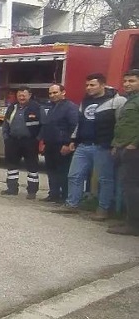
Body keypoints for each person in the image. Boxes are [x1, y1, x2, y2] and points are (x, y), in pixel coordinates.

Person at [64, 73, 127, 219]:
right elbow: (80, 122)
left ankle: (103, 209)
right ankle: (72, 204)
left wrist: (116, 144)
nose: (88, 88)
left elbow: (121, 124)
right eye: (87, 85)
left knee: (105, 179)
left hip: (103, 146)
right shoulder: (85, 101)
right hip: (83, 145)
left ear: (103, 85)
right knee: (74, 175)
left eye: (92, 85)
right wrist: (74, 139)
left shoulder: (117, 101)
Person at [108, 69, 139, 236]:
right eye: (125, 81)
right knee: (128, 187)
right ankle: (130, 219)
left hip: (133, 150)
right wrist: (116, 145)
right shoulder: (130, 100)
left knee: (131, 187)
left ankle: (133, 225)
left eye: (132, 81)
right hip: (123, 147)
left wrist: (134, 144)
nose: (127, 84)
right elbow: (123, 126)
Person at [39, 84, 79, 204]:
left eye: (55, 93)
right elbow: (48, 126)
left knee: (63, 172)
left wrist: (68, 144)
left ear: (63, 92)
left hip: (62, 145)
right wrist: (45, 142)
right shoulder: (51, 107)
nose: (52, 95)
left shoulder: (70, 107)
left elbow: (74, 126)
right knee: (51, 171)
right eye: (50, 93)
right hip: (50, 144)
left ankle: (65, 196)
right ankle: (53, 194)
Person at [1, 87, 42, 199]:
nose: (21, 97)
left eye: (24, 95)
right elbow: (6, 123)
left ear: (29, 95)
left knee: (32, 167)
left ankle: (32, 192)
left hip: (30, 142)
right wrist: (6, 137)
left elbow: (44, 125)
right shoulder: (13, 107)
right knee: (12, 166)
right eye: (19, 95)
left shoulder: (36, 107)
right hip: (13, 141)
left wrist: (38, 139)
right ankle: (12, 189)